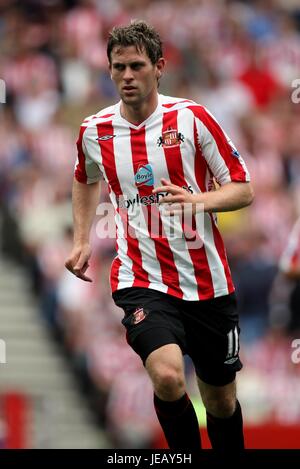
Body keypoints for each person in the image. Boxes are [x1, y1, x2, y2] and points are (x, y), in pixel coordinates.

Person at [65, 20, 254, 452]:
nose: (126, 76)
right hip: (142, 280)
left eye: (136, 66)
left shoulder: (192, 119)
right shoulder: (95, 130)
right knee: (168, 377)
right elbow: (83, 177)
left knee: (221, 402)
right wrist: (80, 240)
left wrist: (199, 201)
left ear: (159, 67)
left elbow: (243, 188)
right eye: (118, 67)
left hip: (208, 284)